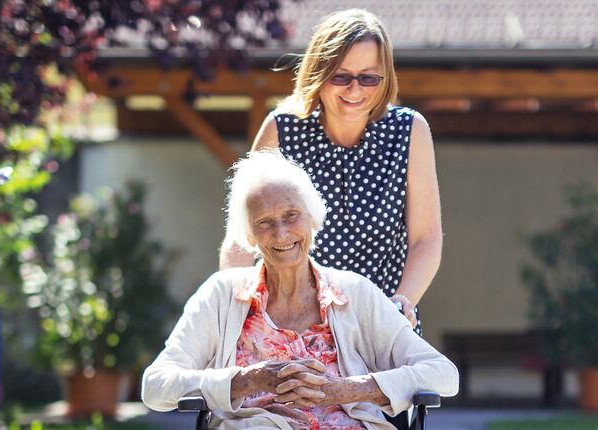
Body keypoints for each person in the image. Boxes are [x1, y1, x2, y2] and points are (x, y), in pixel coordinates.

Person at [143, 150, 457, 429]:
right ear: (250, 237)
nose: (281, 233)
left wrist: (348, 389)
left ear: (313, 219)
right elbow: (156, 385)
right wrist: (247, 380)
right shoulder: (221, 295)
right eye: (264, 222)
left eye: (291, 215)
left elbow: (443, 374)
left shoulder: (356, 294)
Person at [219, 8, 442, 335]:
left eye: (368, 77)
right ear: (318, 74)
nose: (355, 90)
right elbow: (242, 240)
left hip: (381, 326)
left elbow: (426, 239)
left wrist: (401, 304)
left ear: (385, 78)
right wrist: (235, 313)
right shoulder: (282, 130)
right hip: (293, 331)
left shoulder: (409, 131)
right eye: (341, 76)